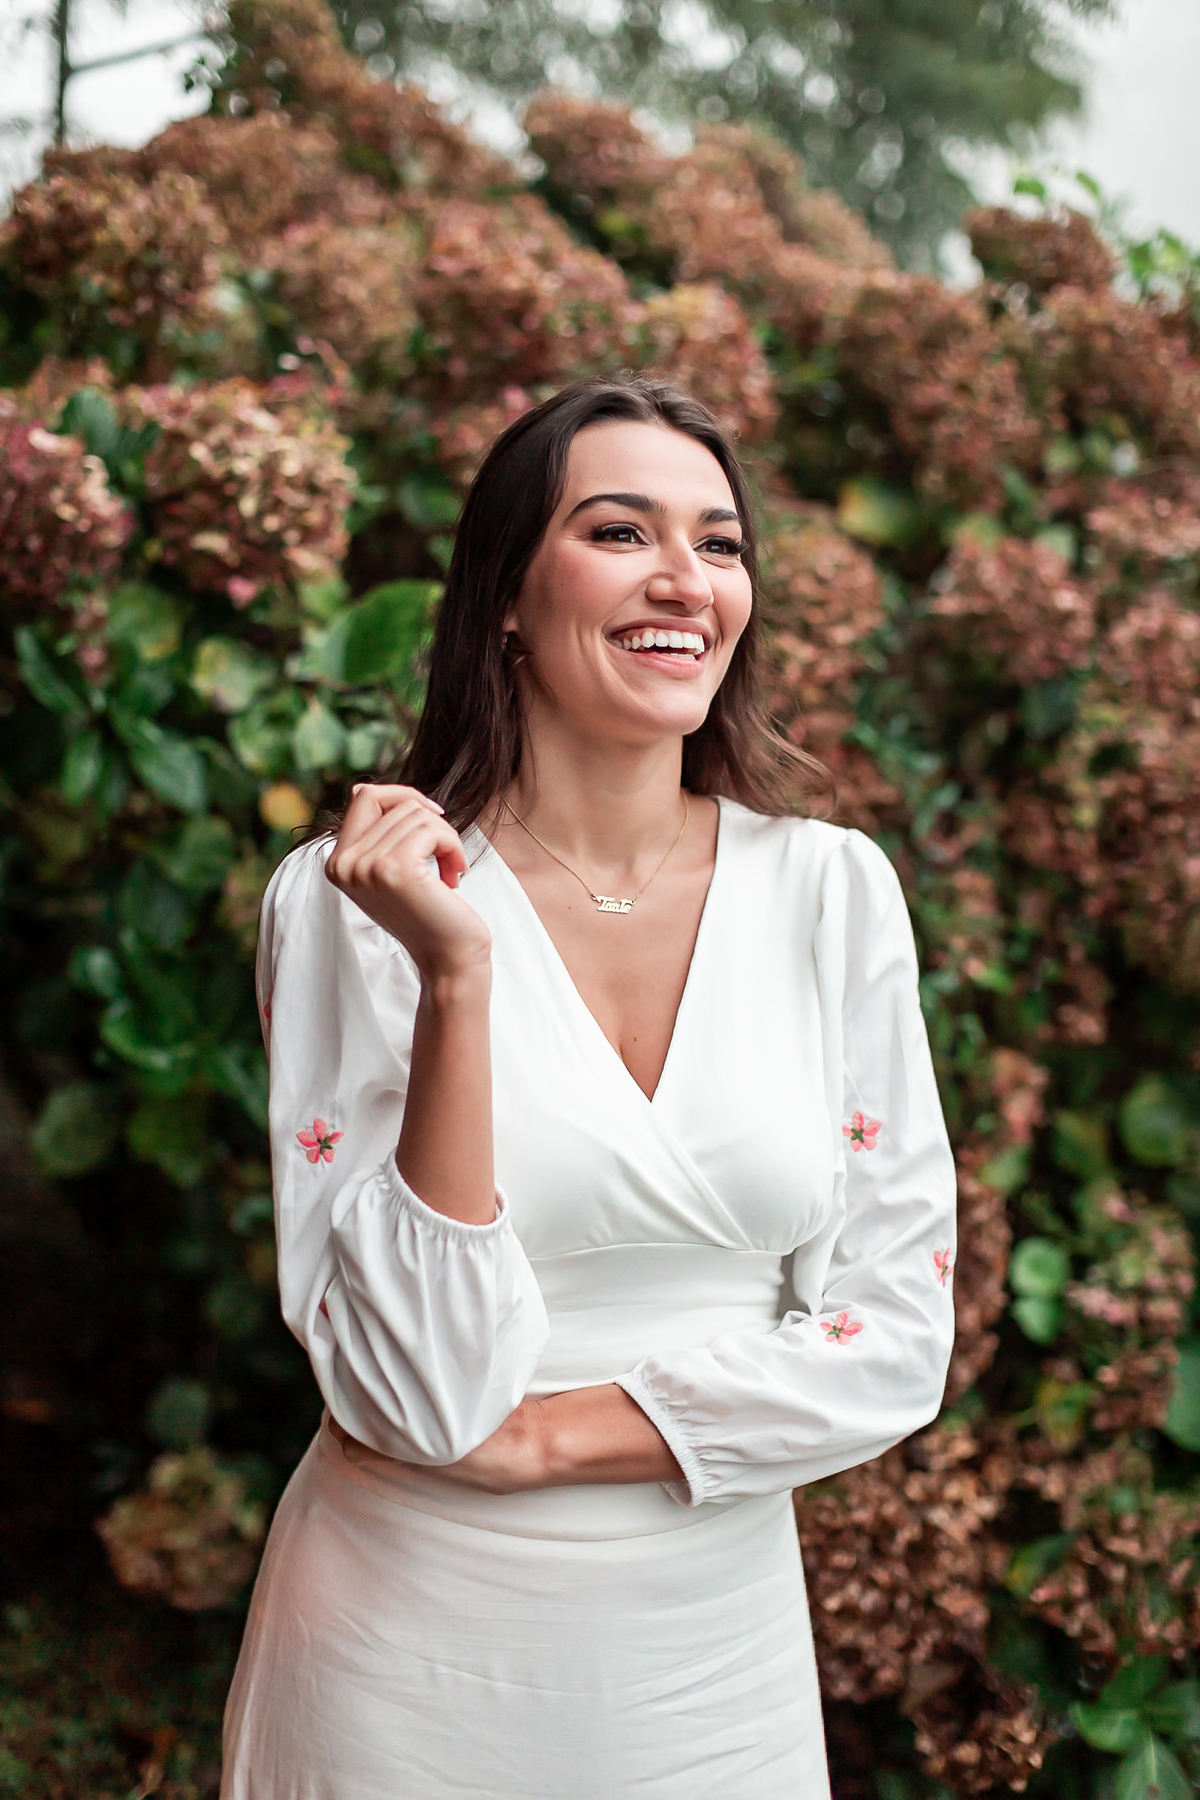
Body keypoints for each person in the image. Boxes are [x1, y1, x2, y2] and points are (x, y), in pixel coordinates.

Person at [221, 376, 957, 1799]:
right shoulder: (348, 907)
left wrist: (557, 1433)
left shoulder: (830, 892)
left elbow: (894, 1336)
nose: (686, 577)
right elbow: (422, 1396)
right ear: (504, 590)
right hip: (403, 1658)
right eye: (621, 531)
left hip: (711, 1668)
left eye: (721, 542)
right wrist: (455, 979)